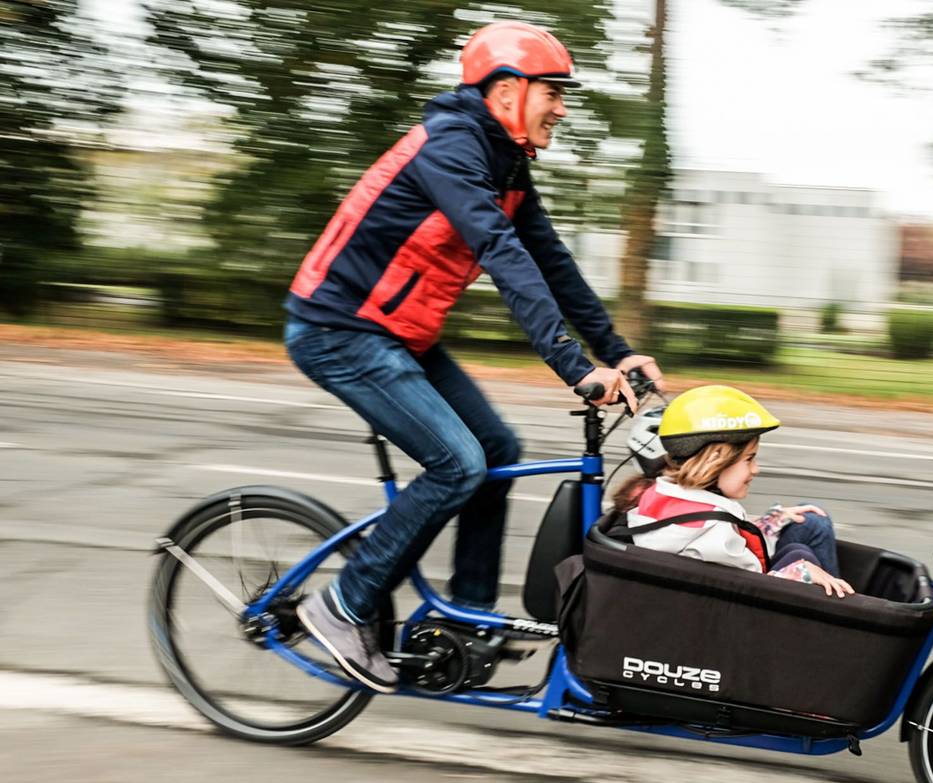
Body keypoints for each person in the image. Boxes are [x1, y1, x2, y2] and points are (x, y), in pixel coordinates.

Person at [285, 21, 664, 693]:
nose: (563, 107)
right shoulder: (451, 150)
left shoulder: (505, 162)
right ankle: (341, 607)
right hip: (338, 330)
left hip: (400, 336)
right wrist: (576, 368)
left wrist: (617, 350)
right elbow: (502, 255)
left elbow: (549, 262)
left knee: (498, 447)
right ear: (508, 90)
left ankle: (466, 621)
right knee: (458, 463)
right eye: (554, 92)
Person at [614, 386, 853, 597]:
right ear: (716, 460)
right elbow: (747, 591)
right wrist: (803, 573)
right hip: (743, 616)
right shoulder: (714, 529)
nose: (755, 469)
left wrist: (771, 523)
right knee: (801, 555)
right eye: (749, 459)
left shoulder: (659, 494)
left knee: (810, 524)